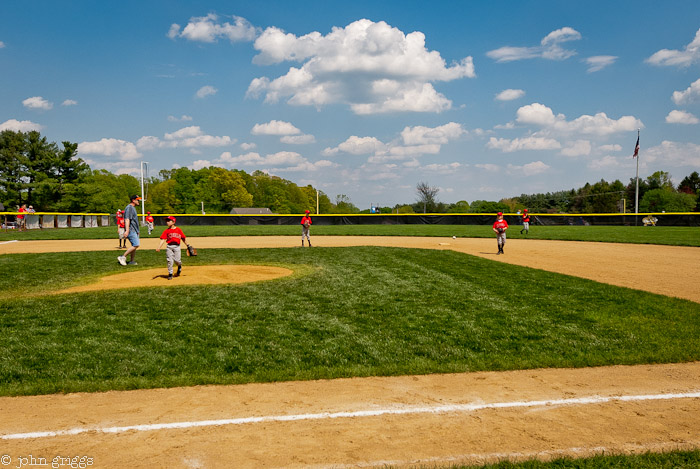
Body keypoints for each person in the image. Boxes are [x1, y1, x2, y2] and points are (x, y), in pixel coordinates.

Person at [156, 216, 186, 280]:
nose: (167, 222)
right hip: (169, 246)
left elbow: (183, 238)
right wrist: (159, 247)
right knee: (169, 261)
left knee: (177, 260)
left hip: (177, 247)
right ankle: (170, 273)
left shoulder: (178, 230)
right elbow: (163, 239)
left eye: (169, 221)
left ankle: (179, 266)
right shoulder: (166, 231)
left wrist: (188, 245)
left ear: (173, 222)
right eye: (166, 221)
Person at [118, 195, 141, 266]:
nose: (139, 201)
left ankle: (131, 261)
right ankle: (122, 257)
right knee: (136, 244)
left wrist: (137, 231)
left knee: (134, 245)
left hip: (134, 230)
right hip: (131, 230)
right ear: (133, 200)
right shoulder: (129, 208)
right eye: (137, 200)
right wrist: (127, 230)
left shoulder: (132, 208)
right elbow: (127, 219)